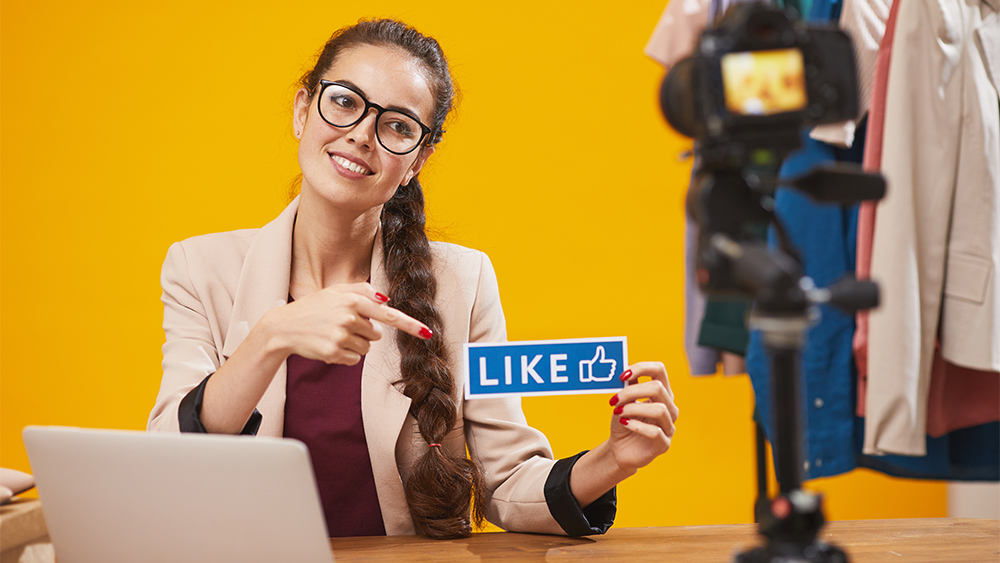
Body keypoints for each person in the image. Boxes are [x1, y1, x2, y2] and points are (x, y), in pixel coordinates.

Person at [148, 18, 679, 540]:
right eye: (344, 101)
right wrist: (271, 337)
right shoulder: (200, 268)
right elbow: (169, 460)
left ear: (419, 159)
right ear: (302, 109)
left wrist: (613, 459)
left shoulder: (462, 281)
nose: (361, 135)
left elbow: (507, 483)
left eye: (398, 125)